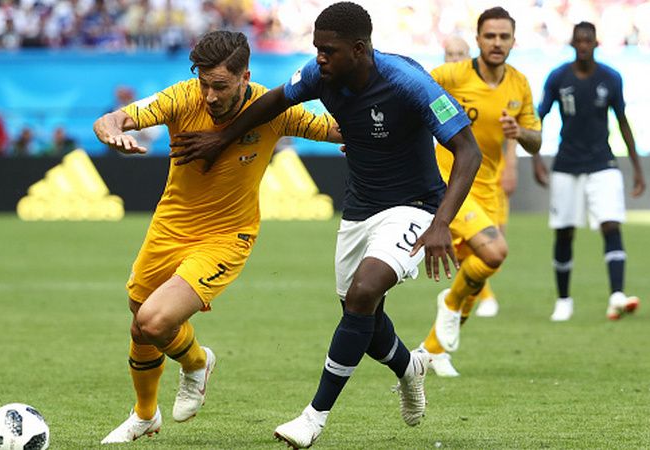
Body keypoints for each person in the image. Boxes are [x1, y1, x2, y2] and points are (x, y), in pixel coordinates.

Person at [168, 3, 482, 447]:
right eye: (316, 48)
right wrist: (222, 137)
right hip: (359, 209)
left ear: (358, 49)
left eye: (328, 50)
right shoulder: (320, 75)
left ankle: (313, 418)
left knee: (363, 294)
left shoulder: (408, 83)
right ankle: (409, 367)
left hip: (414, 206)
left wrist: (440, 223)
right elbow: (273, 101)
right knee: (362, 320)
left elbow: (468, 152)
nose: (318, 58)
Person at [92, 30, 341, 444]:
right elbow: (114, 119)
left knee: (155, 321)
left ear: (245, 76)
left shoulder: (273, 108)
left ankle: (193, 366)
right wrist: (112, 133)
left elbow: (333, 130)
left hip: (227, 235)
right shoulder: (183, 98)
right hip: (169, 226)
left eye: (219, 86)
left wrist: (376, 136)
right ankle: (148, 412)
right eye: (204, 83)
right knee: (140, 325)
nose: (208, 95)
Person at [418, 7, 542, 377]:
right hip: (449, 185)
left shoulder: (518, 84)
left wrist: (520, 134)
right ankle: (450, 305)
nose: (497, 43)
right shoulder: (452, 75)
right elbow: (409, 94)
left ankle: (432, 351)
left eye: (504, 37)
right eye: (490, 36)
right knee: (495, 251)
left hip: (486, 188)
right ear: (478, 40)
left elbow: (537, 140)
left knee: (481, 270)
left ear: (513, 41)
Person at [532, 22, 645, 322]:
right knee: (565, 231)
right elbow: (537, 118)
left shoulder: (611, 78)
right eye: (579, 40)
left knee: (611, 224)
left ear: (596, 43)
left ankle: (617, 295)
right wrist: (536, 160)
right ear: (572, 43)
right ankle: (564, 301)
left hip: (602, 163)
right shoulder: (558, 77)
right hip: (566, 165)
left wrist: (636, 168)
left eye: (588, 40)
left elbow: (622, 121)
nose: (583, 44)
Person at [440, 34, 512, 319]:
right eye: (450, 54)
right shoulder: (438, 91)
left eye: (461, 54)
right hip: (451, 183)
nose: (456, 59)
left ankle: (441, 341)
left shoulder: (492, 89)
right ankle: (475, 301)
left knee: (488, 252)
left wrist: (512, 166)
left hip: (487, 183)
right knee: (487, 252)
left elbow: (510, 130)